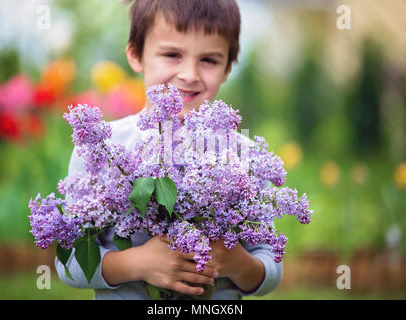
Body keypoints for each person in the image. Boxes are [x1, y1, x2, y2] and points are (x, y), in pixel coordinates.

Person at [55, 0, 283, 300]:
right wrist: (137, 264)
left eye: (210, 60)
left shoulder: (247, 158)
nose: (189, 74)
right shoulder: (103, 148)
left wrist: (237, 263)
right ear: (136, 55)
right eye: (172, 54)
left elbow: (270, 263)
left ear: (228, 68)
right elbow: (69, 264)